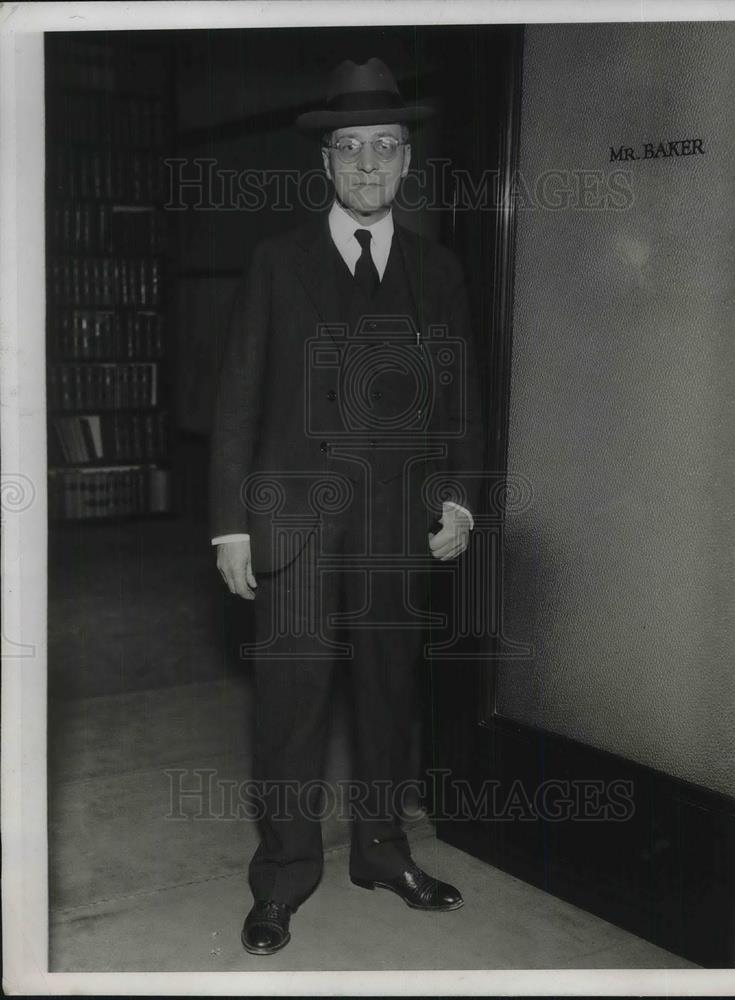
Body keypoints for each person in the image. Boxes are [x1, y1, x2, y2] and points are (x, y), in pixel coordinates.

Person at [209, 56, 484, 955]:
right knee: (291, 709)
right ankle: (283, 878)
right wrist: (230, 522)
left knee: (389, 701)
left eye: (387, 149)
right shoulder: (277, 263)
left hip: (398, 530)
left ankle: (381, 851)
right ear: (325, 165)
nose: (369, 167)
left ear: (408, 162)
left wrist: (458, 501)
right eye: (351, 150)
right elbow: (239, 396)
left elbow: (459, 403)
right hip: (295, 528)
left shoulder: (438, 271)